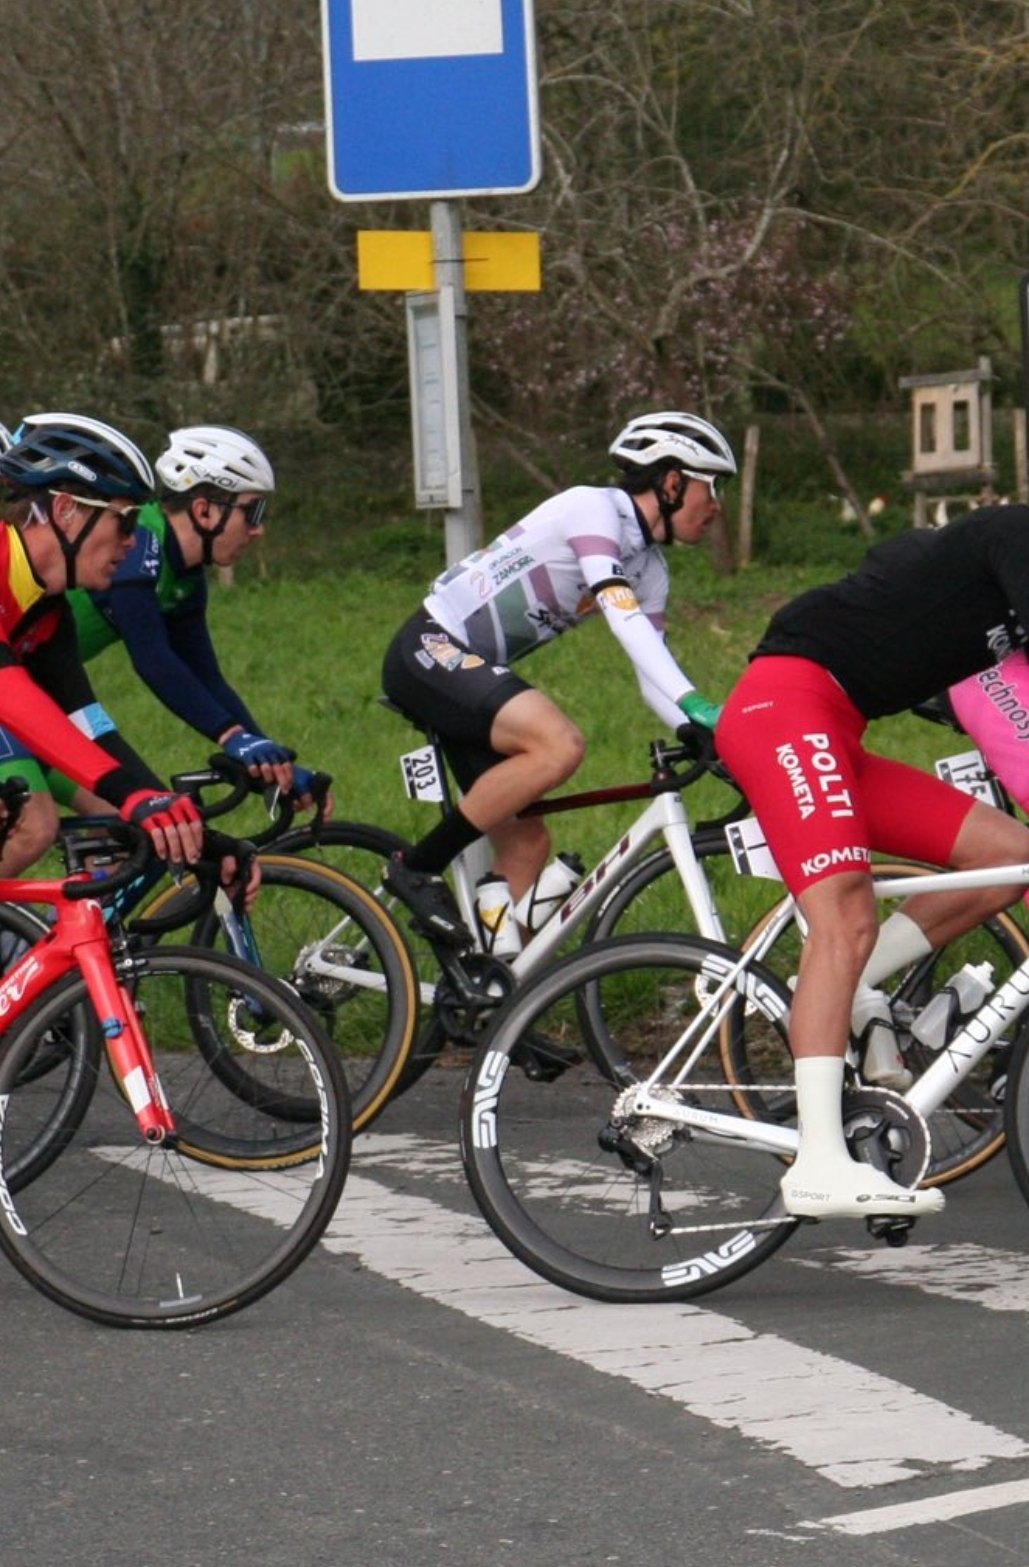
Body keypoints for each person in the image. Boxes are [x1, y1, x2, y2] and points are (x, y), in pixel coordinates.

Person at [715, 498, 1029, 1222]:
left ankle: (838, 985)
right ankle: (818, 1162)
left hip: (834, 723)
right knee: (846, 916)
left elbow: (892, 571)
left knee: (1010, 858)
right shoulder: (1016, 533)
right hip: (786, 706)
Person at [380, 410, 736, 942]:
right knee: (558, 744)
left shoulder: (650, 570)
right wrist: (695, 703)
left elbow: (651, 672)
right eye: (713, 486)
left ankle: (495, 985)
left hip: (470, 675)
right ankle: (415, 868)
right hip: (430, 647)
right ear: (671, 482)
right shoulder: (592, 509)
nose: (717, 505)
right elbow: (622, 618)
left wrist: (703, 733)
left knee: (527, 847)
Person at [48, 421, 318, 807]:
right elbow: (152, 658)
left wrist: (267, 755)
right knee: (41, 826)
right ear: (204, 511)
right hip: (22, 689)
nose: (258, 529)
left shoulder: (184, 573)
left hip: (42, 691)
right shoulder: (138, 543)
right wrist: (231, 737)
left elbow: (205, 675)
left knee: (130, 821)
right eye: (252, 511)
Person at [0, 415, 203, 873]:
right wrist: (131, 794)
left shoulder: (47, 610)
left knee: (117, 818)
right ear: (66, 510)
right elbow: (9, 693)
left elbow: (86, 723)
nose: (132, 541)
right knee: (33, 823)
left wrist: (173, 816)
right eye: (124, 520)